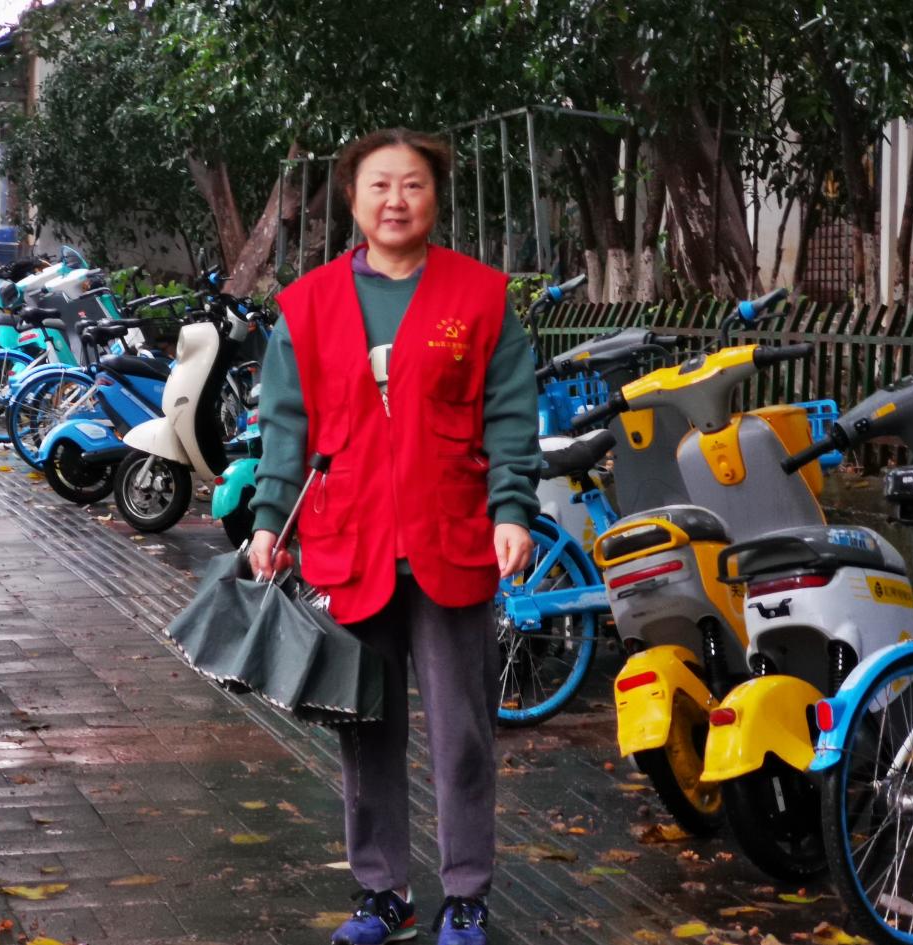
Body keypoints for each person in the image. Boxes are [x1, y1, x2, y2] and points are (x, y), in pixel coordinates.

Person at [248, 128, 540, 945]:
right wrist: (270, 520)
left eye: (413, 184)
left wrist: (511, 509)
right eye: (379, 185)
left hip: (452, 539)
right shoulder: (307, 305)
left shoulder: (480, 297)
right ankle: (384, 893)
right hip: (350, 542)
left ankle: (467, 893)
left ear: (435, 196)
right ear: (352, 198)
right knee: (363, 727)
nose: (396, 200)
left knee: (463, 733)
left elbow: (510, 414)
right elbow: (285, 426)